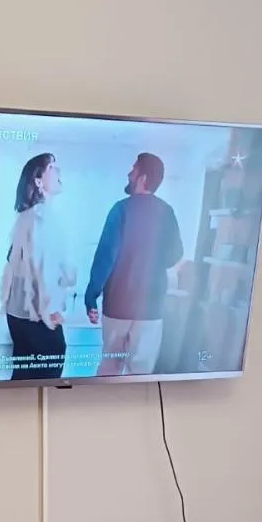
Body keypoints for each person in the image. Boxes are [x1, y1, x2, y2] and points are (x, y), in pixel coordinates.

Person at [85, 152, 184, 377]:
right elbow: (174, 255)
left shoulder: (120, 209)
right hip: (151, 309)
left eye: (133, 170)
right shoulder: (167, 212)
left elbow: (105, 257)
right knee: (140, 372)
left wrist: (91, 296)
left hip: (117, 307)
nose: (129, 174)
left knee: (109, 368)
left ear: (143, 178)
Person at [0, 153, 76, 381]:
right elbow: (40, 268)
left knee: (24, 377)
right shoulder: (42, 217)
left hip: (21, 314)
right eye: (52, 167)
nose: (58, 172)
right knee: (45, 373)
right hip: (36, 315)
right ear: (38, 181)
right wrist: (50, 310)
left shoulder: (29, 216)